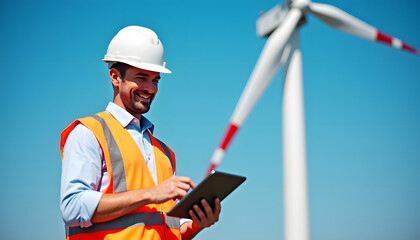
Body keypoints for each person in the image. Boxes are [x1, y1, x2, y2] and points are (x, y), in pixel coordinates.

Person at [60, 26, 221, 240]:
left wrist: (198, 224)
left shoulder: (164, 153)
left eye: (155, 80)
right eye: (142, 78)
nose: (151, 88)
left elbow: (169, 228)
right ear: (115, 77)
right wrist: (151, 194)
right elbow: (72, 207)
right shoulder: (89, 133)